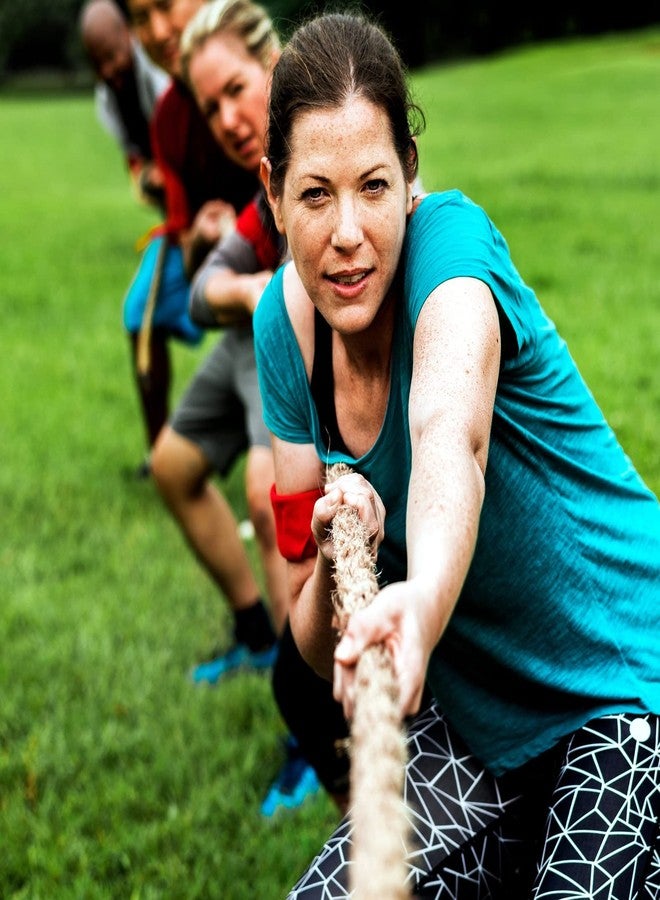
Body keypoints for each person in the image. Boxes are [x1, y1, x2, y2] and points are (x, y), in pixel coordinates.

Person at [253, 10, 660, 896]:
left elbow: (451, 438)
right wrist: (336, 555)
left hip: (626, 683)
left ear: (410, 181)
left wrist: (424, 605)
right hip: (482, 720)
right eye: (316, 194)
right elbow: (315, 643)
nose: (348, 231)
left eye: (372, 186)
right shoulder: (285, 336)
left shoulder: (454, 255)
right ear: (274, 191)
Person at [146, 0, 351, 817]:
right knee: (171, 466)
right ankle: (256, 636)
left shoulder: (327, 142)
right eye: (211, 105)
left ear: (273, 61)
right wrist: (256, 288)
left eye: (236, 90)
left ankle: (315, 733)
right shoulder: (260, 178)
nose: (228, 118)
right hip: (253, 334)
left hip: (299, 349)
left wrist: (270, 294)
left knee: (275, 508)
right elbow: (200, 292)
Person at [122, 0, 258, 474]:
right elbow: (192, 260)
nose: (159, 31)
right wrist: (205, 238)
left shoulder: (251, 46)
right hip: (239, 274)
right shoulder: (168, 119)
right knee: (138, 311)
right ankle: (158, 447)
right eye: (140, 18)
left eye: (165, 6)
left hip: (294, 275)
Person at [79, 0, 168, 210]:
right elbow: (135, 162)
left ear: (128, 34)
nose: (107, 70)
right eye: (97, 63)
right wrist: (148, 176)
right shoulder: (106, 100)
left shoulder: (159, 72)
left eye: (111, 56)